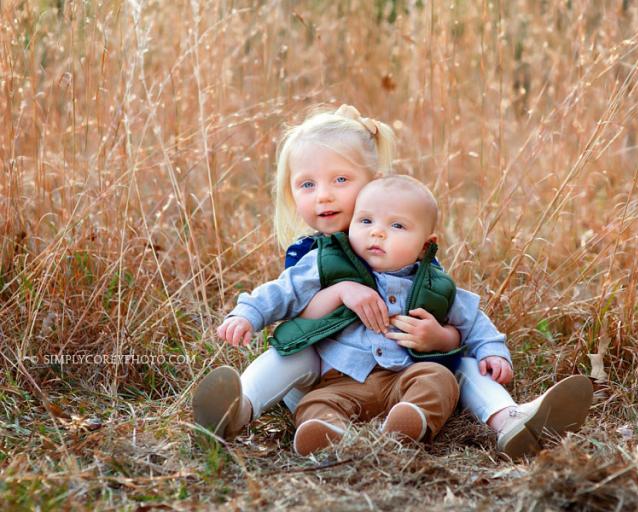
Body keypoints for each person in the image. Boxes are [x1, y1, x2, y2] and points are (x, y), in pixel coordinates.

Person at [193, 106, 593, 458]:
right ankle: (239, 409)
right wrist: (254, 312)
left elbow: (458, 310)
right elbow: (288, 302)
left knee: (460, 364)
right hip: (328, 378)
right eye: (307, 185)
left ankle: (510, 420)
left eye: (340, 181)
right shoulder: (316, 255)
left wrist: (444, 339)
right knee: (292, 356)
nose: (324, 196)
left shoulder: (404, 242)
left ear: (373, 183)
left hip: (406, 375)